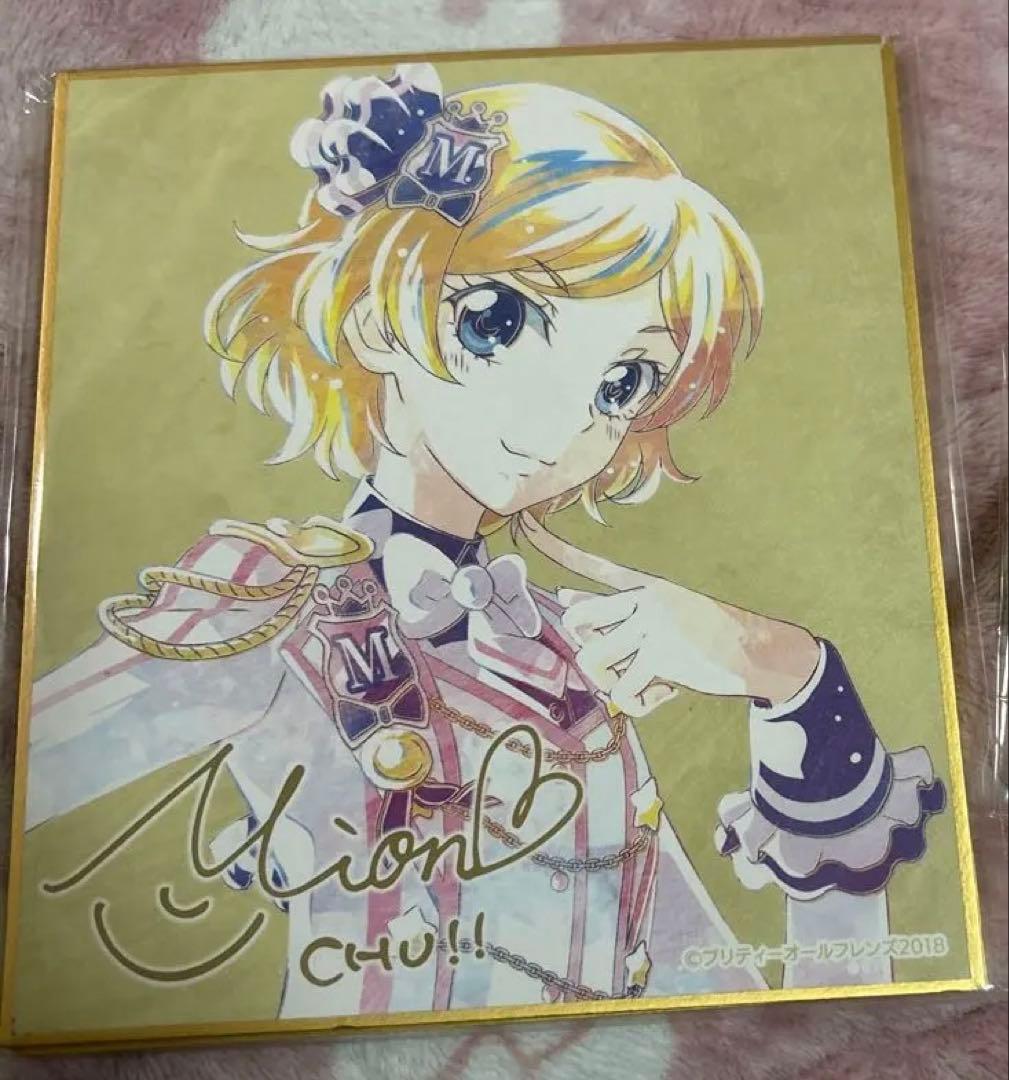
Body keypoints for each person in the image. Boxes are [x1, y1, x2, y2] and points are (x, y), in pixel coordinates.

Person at [27, 63, 945, 1017]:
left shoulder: (569, 664)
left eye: (621, 383)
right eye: (495, 321)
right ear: (376, 315)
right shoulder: (272, 605)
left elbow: (782, 1018)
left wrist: (795, 682)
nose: (562, 419)